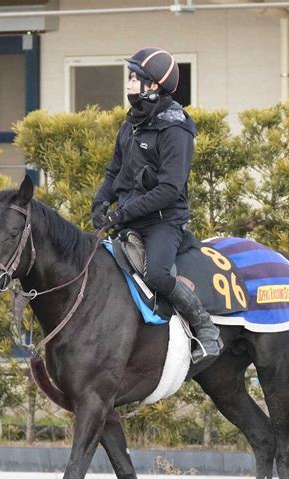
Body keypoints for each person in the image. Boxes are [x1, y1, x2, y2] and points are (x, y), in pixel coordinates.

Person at [91, 47, 222, 364]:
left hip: (163, 223)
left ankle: (206, 332)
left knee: (158, 276)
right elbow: (114, 172)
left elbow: (169, 189)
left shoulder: (176, 129)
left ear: (153, 86)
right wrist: (100, 201)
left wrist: (121, 213)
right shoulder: (131, 124)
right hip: (129, 220)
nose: (129, 83)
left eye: (136, 77)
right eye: (130, 76)